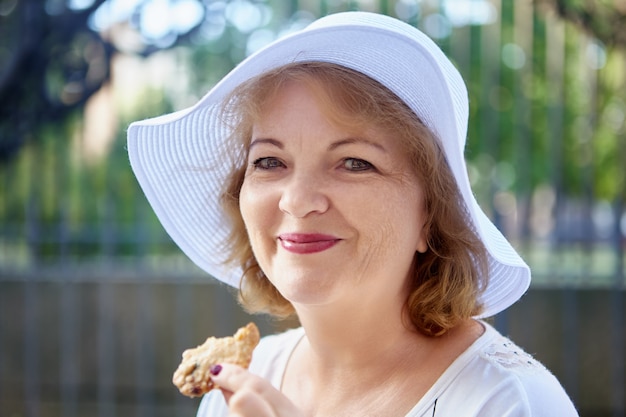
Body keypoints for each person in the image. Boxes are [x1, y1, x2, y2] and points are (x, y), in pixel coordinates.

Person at [127, 11, 579, 417]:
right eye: (269, 161)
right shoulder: (242, 388)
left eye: (355, 163)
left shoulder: (509, 403)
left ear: (431, 216)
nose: (297, 200)